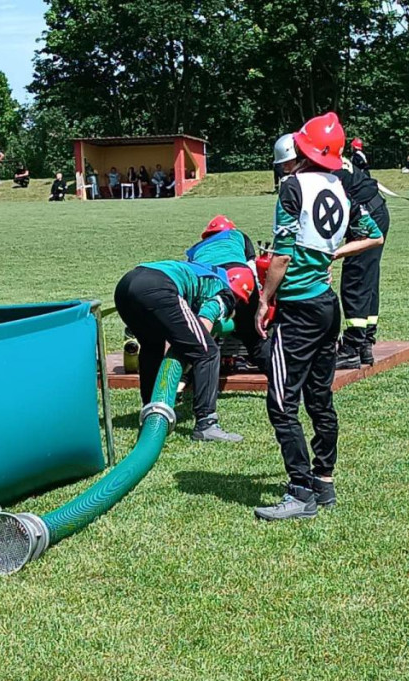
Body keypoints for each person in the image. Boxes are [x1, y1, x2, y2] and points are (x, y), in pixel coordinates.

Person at [254, 113, 384, 520]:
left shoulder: (292, 188)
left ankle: (299, 492)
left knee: (281, 401)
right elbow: (374, 234)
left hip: (297, 309)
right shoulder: (341, 187)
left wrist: (263, 299)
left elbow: (282, 254)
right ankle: (323, 481)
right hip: (329, 307)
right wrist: (333, 253)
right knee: (320, 397)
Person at [114, 258, 254, 442]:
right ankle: (206, 424)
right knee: (207, 352)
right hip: (158, 286)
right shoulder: (225, 292)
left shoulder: (206, 272)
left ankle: (152, 411)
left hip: (126, 285)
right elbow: (204, 323)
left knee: (152, 346)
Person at [330, 148, 392, 369]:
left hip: (367, 215)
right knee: (367, 279)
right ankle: (365, 341)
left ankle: (352, 347)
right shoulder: (332, 159)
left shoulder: (321, 169)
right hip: (376, 210)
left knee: (355, 279)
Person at [185, 215, 269, 373]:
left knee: (202, 332)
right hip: (239, 276)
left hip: (206, 279)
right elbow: (252, 267)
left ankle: (188, 376)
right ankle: (282, 381)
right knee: (253, 336)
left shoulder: (196, 247)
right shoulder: (238, 235)